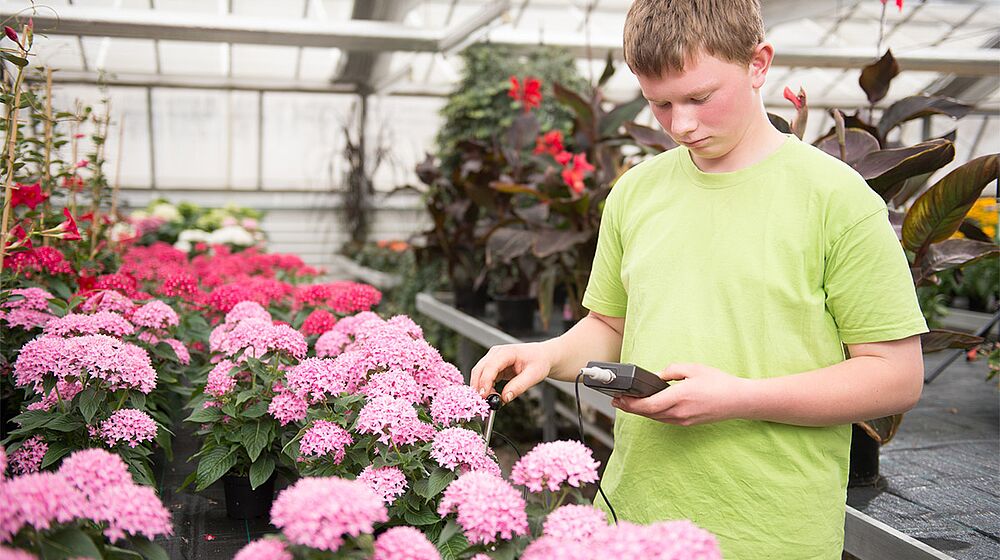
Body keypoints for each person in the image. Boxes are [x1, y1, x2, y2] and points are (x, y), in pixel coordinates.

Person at [469, 0, 928, 557]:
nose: (681, 124)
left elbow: (895, 377)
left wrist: (739, 398)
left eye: (699, 98)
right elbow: (609, 326)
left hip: (770, 533)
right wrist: (549, 354)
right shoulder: (636, 193)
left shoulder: (837, 200)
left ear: (758, 64)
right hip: (631, 521)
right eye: (659, 103)